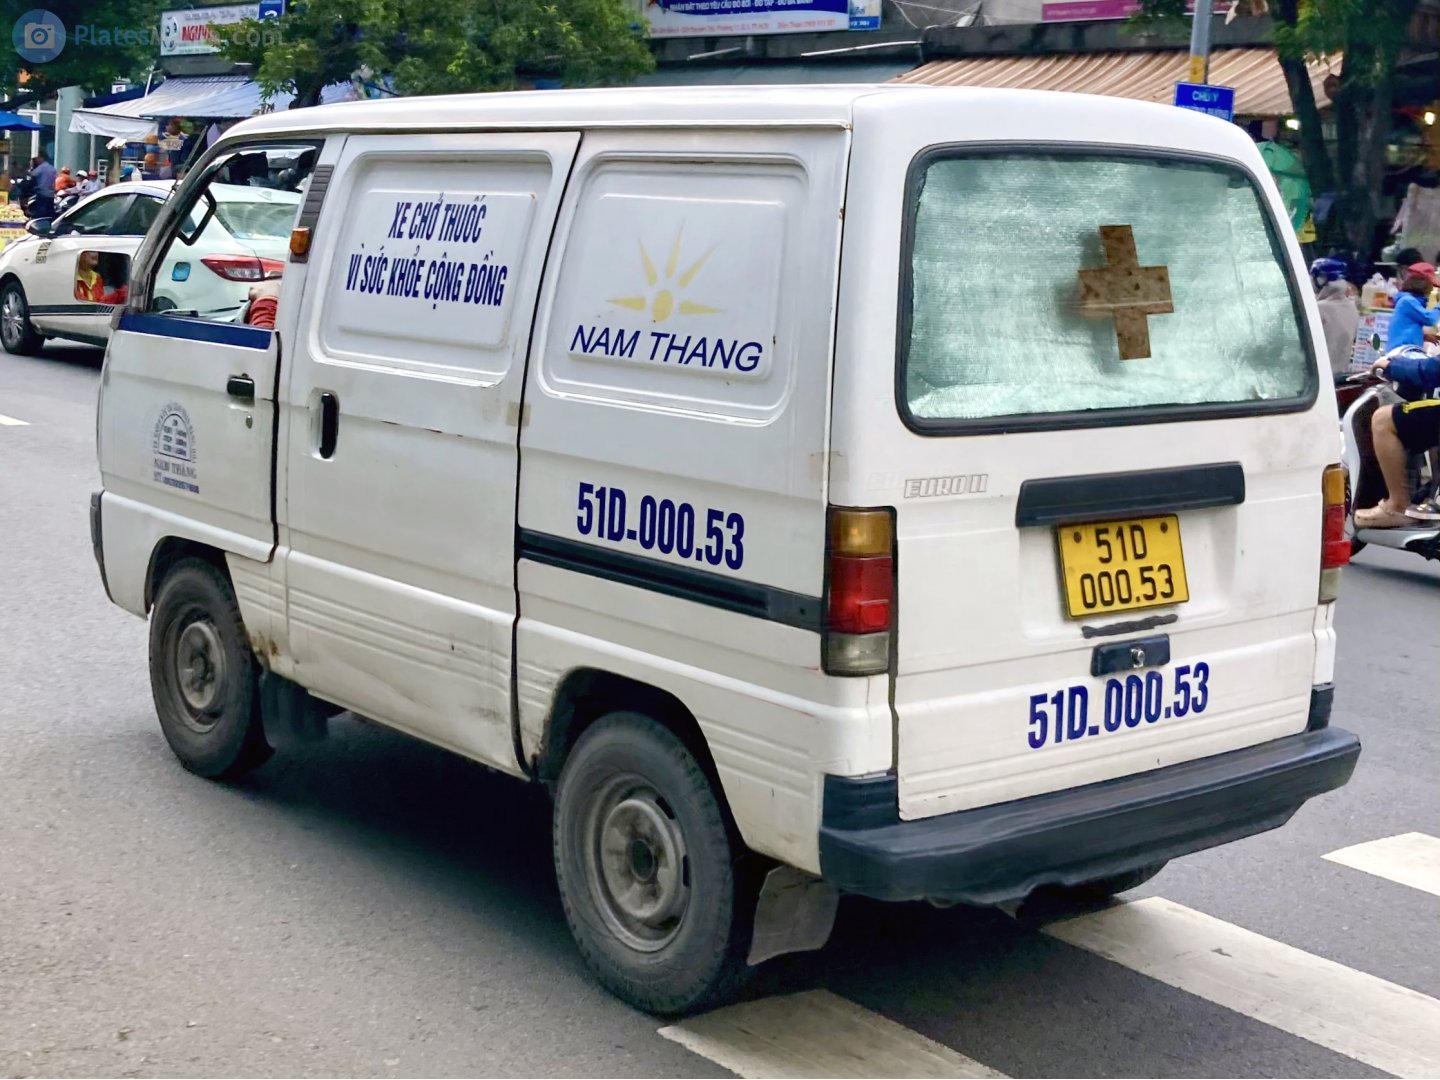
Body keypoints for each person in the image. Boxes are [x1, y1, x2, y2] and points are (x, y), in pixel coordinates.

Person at [1311, 257, 1360, 375]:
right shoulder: (1352, 308)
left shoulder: (1318, 309)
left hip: (1316, 379)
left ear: (1321, 280)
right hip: (1339, 376)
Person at [1384, 262, 1440, 352]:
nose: (1431, 291)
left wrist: (1422, 336)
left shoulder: (1407, 301)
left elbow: (1406, 327)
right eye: (1431, 285)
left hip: (1404, 350)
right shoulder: (1408, 301)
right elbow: (1430, 319)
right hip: (1402, 352)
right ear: (1422, 284)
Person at [28, 153, 56, 218]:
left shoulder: (41, 167)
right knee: (50, 211)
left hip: (42, 192)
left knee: (41, 212)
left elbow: (33, 175)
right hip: (51, 194)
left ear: (42, 158)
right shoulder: (52, 168)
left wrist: (23, 171)